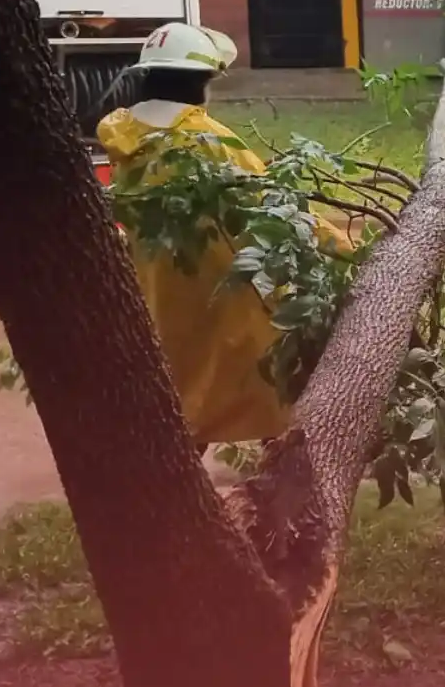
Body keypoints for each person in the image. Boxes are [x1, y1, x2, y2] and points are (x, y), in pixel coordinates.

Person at [97, 22, 351, 448]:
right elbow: (275, 209)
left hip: (160, 292)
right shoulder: (207, 139)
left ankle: (174, 468)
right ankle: (285, 462)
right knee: (275, 373)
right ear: (201, 82)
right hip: (223, 291)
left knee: (179, 389)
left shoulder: (123, 139)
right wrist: (348, 250)